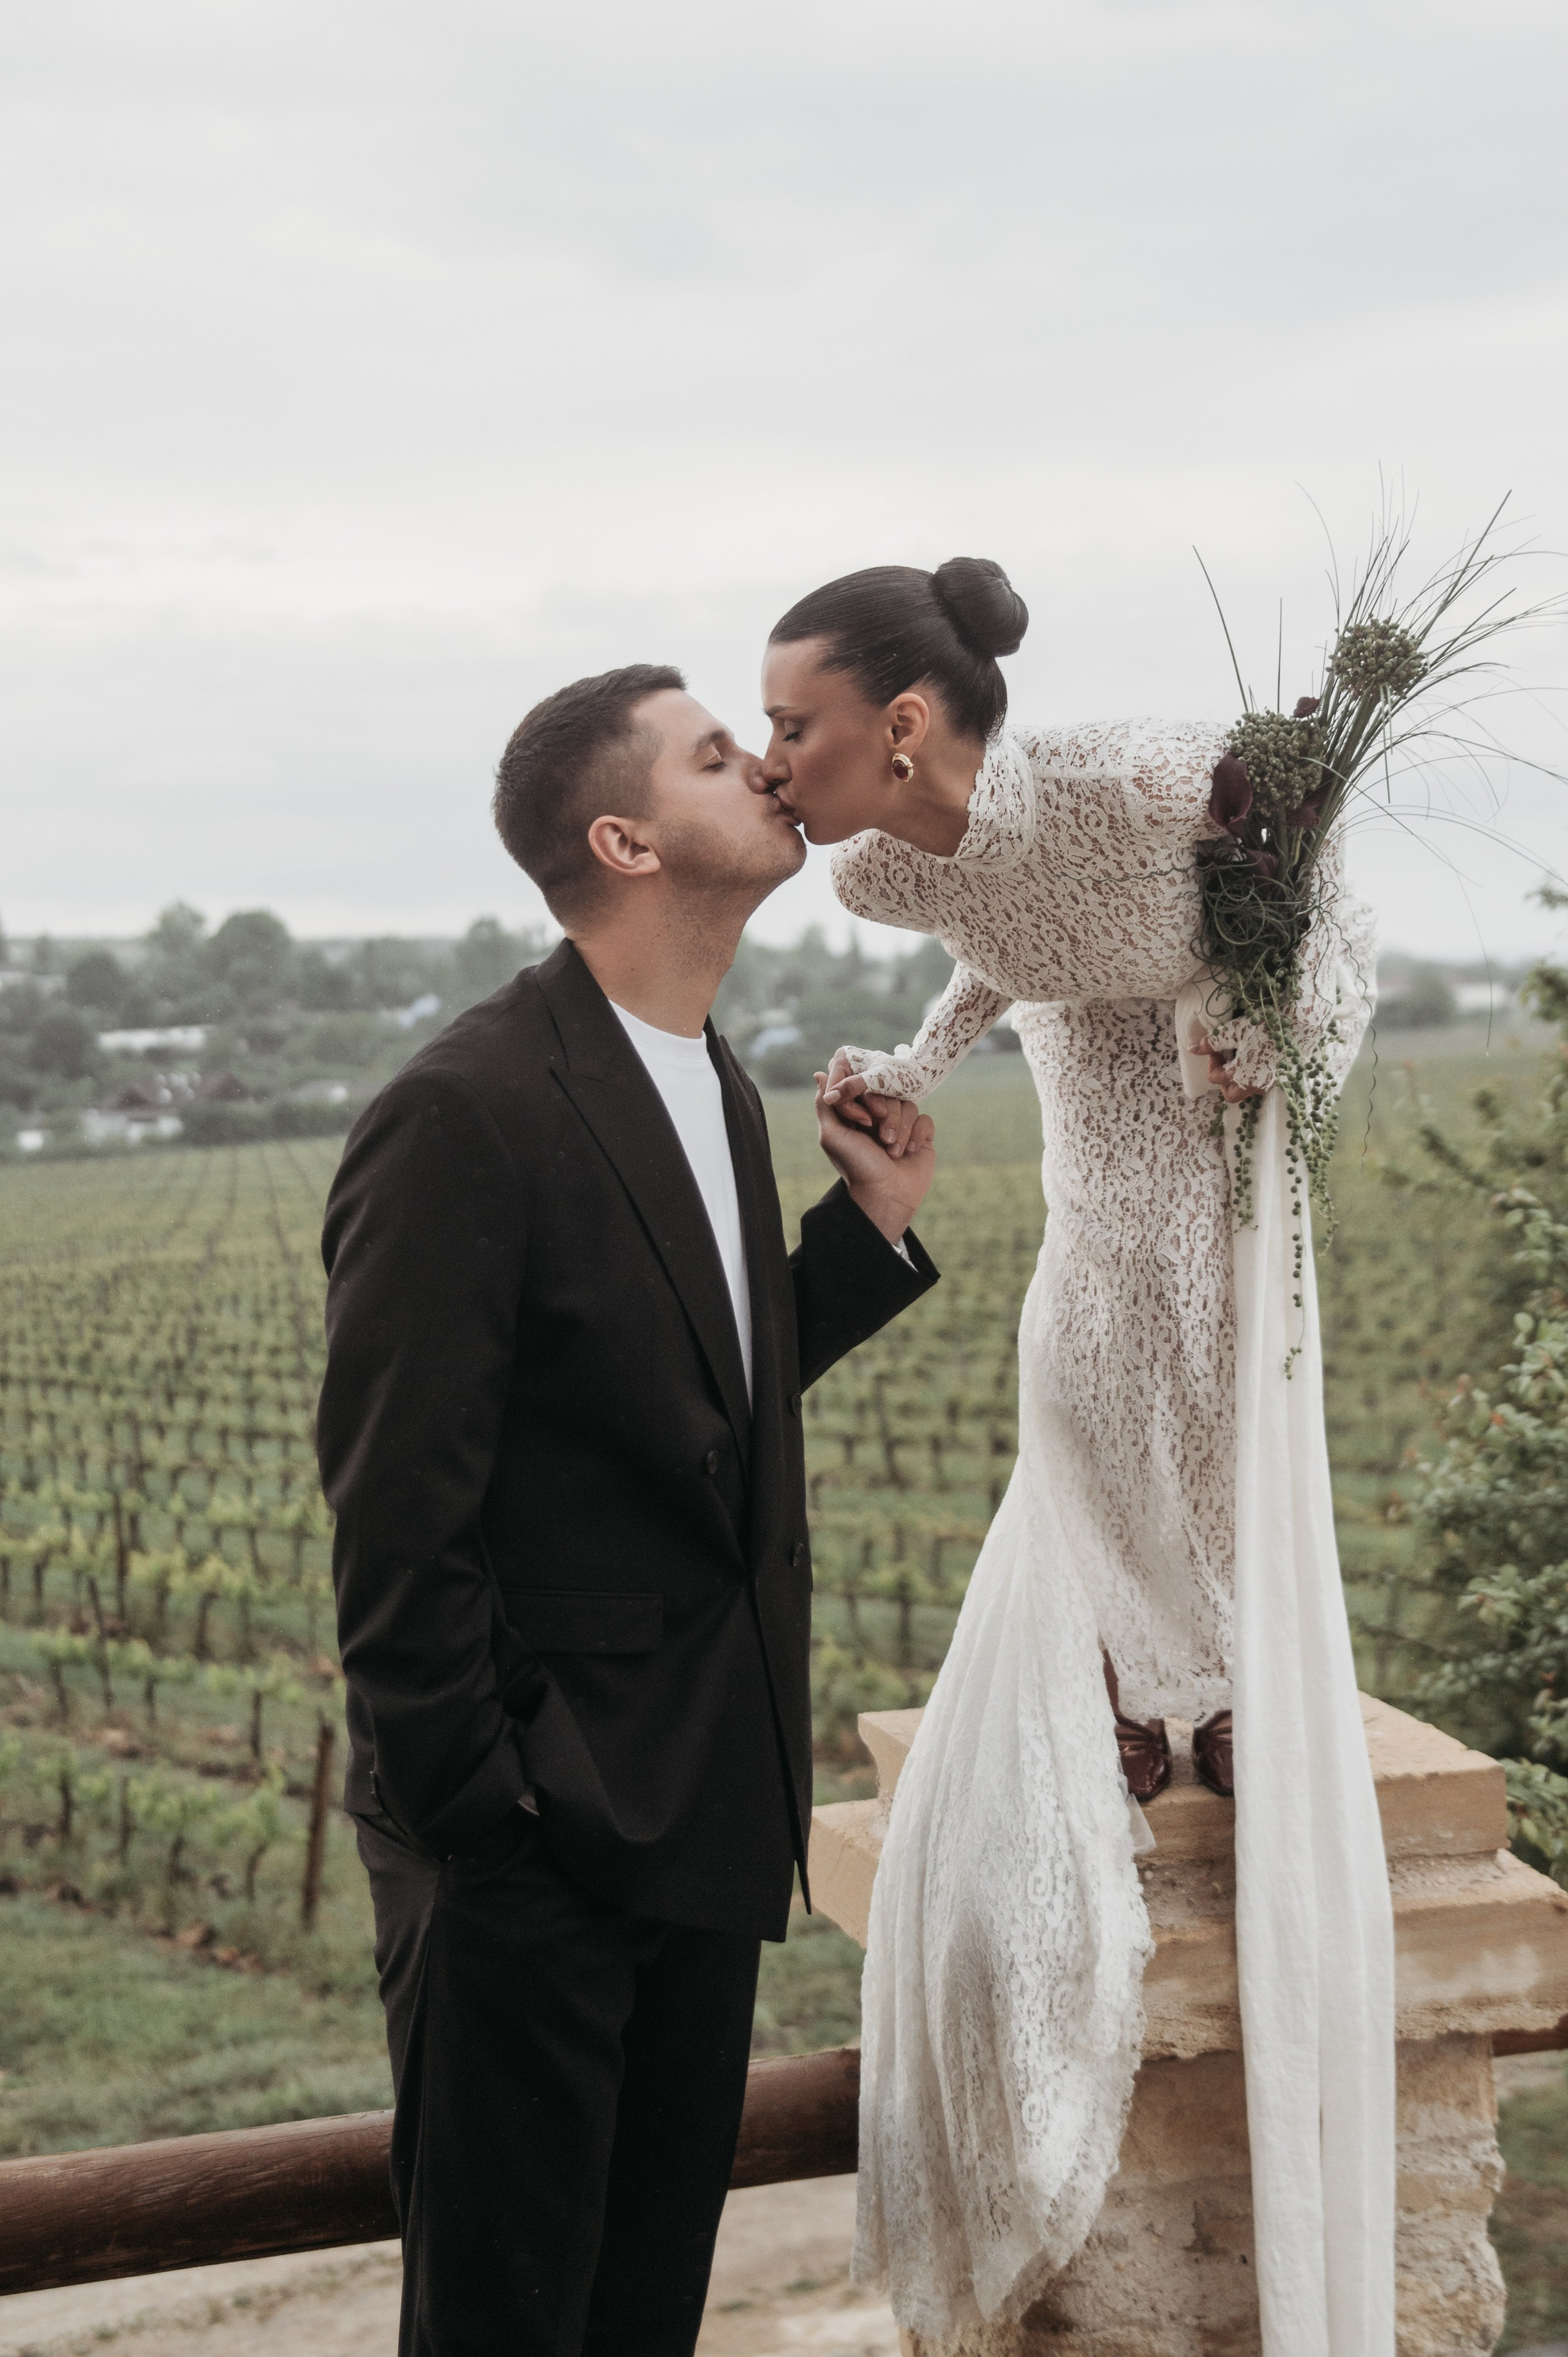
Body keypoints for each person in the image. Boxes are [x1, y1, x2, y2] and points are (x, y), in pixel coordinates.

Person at [759, 564, 1395, 2357]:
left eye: (793, 722)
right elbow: (1002, 938)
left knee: (1212, 1366)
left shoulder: (1154, 779)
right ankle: (1130, 1665)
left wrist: (1279, 1035)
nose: (770, 753)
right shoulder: (882, 865)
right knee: (1086, 1357)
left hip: (1217, 1080)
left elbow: (1337, 920)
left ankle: (1221, 1687)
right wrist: (929, 1054)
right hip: (1091, 1099)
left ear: (902, 726)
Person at [316, 663, 940, 2357]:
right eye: (717, 754)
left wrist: (859, 1239)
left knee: (642, 2317)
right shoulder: (465, 1113)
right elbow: (393, 1519)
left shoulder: (714, 1082)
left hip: (696, 1822)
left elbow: (676, 1407)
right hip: (534, 1860)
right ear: (626, 836)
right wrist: (493, 1820)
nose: (769, 765)